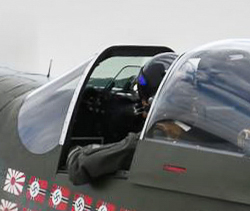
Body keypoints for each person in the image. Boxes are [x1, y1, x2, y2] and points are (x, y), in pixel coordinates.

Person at [66, 53, 177, 186]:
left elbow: (78, 168)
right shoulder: (195, 131)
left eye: (143, 100)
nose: (141, 104)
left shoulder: (149, 142)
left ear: (153, 103)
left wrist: (73, 152)